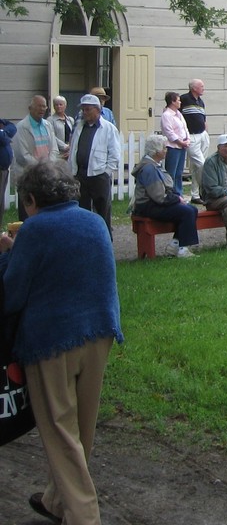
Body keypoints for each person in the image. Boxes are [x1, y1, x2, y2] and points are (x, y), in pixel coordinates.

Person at [0, 159, 123, 525]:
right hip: (100, 332)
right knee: (81, 428)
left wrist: (8, 253)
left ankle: (84, 517)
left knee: (59, 429)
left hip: (52, 340)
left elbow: (11, 295)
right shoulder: (94, 221)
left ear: (32, 200)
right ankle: (57, 500)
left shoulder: (35, 230)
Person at [132, 134, 199, 257]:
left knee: (192, 209)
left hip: (154, 203)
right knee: (186, 212)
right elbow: (158, 196)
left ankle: (175, 245)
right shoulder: (149, 169)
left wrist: (176, 199)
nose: (166, 150)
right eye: (164, 148)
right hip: (147, 206)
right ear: (156, 151)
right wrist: (177, 199)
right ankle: (182, 248)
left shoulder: (154, 165)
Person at [68, 93, 122, 237]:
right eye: (83, 110)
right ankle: (85, 237)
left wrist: (106, 172)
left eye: (88, 109)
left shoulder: (109, 128)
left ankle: (105, 238)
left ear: (97, 110)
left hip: (99, 175)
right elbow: (73, 149)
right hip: (80, 174)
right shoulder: (79, 127)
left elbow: (115, 153)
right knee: (82, 209)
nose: (84, 113)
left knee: (103, 209)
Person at [13, 95, 69, 221]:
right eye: (39, 106)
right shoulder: (21, 127)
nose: (42, 109)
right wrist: (41, 168)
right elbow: (22, 155)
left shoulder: (47, 125)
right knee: (27, 213)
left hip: (46, 176)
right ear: (30, 108)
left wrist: (49, 166)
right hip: (28, 176)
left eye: (44, 106)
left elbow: (53, 148)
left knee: (44, 211)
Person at [179, 78, 210, 203]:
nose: (203, 88)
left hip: (202, 135)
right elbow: (176, 115)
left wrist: (206, 132)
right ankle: (206, 191)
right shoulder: (184, 99)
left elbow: (203, 118)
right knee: (201, 164)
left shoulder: (201, 102)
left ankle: (196, 195)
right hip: (191, 136)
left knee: (199, 167)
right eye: (201, 86)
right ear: (194, 88)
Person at [161, 91, 190, 196]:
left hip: (182, 147)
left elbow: (185, 128)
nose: (180, 102)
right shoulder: (167, 115)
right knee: (171, 172)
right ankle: (170, 193)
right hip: (173, 147)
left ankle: (179, 192)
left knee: (179, 172)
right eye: (178, 100)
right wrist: (180, 142)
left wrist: (187, 140)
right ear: (172, 102)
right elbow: (169, 132)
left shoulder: (179, 114)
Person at [0, 115, 13, 226]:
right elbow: (3, 139)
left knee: (1, 201)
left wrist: (4, 132)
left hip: (4, 169)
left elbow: (12, 127)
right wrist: (5, 135)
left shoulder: (2, 123)